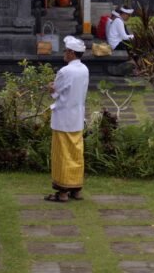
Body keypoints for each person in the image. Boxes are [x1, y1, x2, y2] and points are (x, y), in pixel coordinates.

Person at [46, 35, 89, 203]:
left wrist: (51, 88)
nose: (64, 54)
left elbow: (56, 92)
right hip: (77, 116)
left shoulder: (65, 71)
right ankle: (76, 189)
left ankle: (63, 191)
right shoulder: (84, 69)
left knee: (62, 154)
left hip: (63, 117)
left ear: (71, 53)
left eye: (66, 51)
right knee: (76, 153)